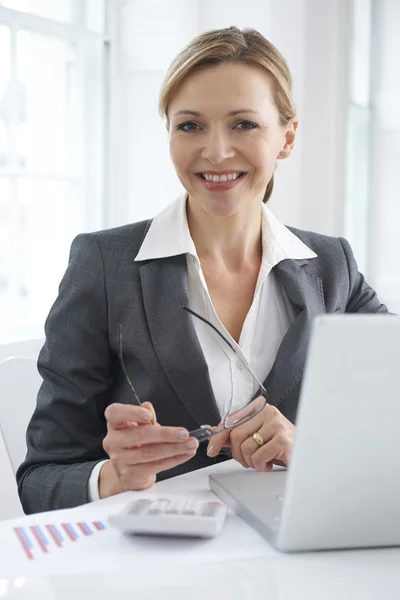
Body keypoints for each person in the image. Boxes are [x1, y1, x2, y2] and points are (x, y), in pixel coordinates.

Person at [17, 27, 388, 514]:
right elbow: (39, 481)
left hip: (294, 567)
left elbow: (388, 429)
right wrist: (112, 477)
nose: (215, 152)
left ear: (287, 137)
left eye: (244, 125)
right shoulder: (103, 266)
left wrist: (310, 448)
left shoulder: (333, 268)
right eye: (190, 125)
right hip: (155, 574)